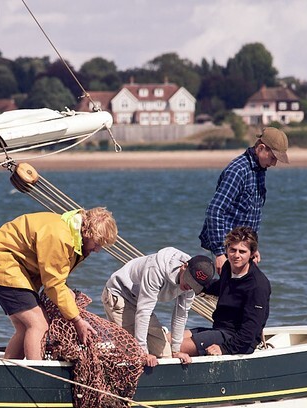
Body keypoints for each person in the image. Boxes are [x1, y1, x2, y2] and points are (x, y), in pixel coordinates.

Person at [0, 208, 118, 360]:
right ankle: (37, 376)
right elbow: (53, 284)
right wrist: (77, 320)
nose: (98, 249)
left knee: (23, 327)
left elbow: (55, 275)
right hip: (1, 263)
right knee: (38, 325)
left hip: (7, 264)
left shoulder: (72, 234)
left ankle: (10, 373)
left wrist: (67, 295)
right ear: (88, 233)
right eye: (98, 243)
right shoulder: (61, 237)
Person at [198, 126, 289, 274]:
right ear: (261, 148)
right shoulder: (238, 171)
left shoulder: (259, 170)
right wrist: (220, 253)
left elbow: (252, 213)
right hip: (228, 247)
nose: (274, 164)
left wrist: (252, 247)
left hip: (243, 247)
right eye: (273, 158)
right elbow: (215, 210)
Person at [102, 249, 215, 367]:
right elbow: (144, 311)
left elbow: (181, 314)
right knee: (133, 353)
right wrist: (143, 352)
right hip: (120, 294)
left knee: (166, 355)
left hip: (140, 301)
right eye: (189, 281)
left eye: (194, 285)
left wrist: (176, 350)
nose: (189, 287)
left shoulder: (191, 286)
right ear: (184, 266)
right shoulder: (156, 269)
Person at [180, 226, 270, 357]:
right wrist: (192, 280)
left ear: (252, 253)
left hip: (237, 340)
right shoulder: (228, 267)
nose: (236, 255)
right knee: (168, 339)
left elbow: (250, 330)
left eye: (242, 251)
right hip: (219, 330)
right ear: (226, 249)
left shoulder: (258, 286)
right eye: (232, 250)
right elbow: (222, 287)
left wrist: (224, 349)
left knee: (175, 347)